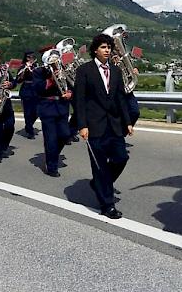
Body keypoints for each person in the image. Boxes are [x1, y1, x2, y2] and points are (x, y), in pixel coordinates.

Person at [75, 33, 133, 219]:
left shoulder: (116, 71)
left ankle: (100, 183)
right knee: (99, 166)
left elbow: (120, 98)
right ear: (95, 50)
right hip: (94, 125)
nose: (107, 50)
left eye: (109, 47)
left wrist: (128, 121)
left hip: (114, 124)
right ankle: (107, 205)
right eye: (103, 47)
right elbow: (79, 100)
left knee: (121, 158)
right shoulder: (84, 70)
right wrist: (82, 125)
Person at [33, 48, 73, 177]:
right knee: (50, 139)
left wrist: (70, 93)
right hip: (47, 107)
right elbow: (38, 88)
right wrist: (52, 78)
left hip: (62, 106)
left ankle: (53, 155)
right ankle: (51, 166)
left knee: (65, 134)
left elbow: (72, 85)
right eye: (52, 59)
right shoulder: (39, 71)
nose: (55, 61)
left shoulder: (63, 70)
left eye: (57, 58)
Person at [17, 50, 39, 139]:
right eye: (29, 57)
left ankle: (28, 125)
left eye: (32, 57)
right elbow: (18, 80)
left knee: (36, 111)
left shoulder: (36, 66)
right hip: (26, 90)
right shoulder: (22, 67)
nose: (31, 59)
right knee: (27, 112)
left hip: (35, 90)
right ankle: (30, 130)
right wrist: (26, 69)